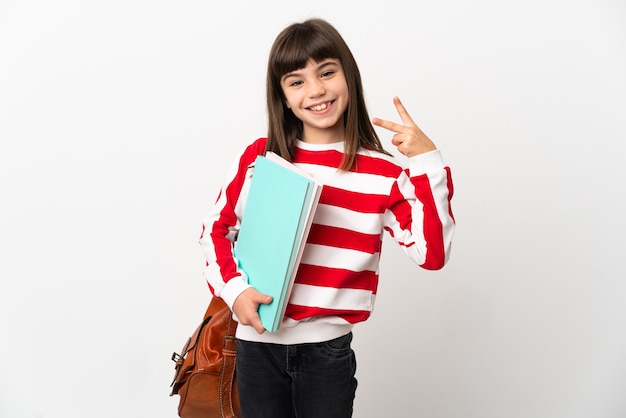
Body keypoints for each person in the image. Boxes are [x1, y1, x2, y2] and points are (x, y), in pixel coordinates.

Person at [199, 18, 455, 418]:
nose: (316, 90)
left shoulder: (385, 175)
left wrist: (427, 163)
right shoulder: (260, 158)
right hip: (256, 348)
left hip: (328, 353)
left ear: (348, 77)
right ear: (282, 96)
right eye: (296, 81)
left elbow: (431, 254)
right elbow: (216, 231)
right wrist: (234, 291)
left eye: (327, 72)